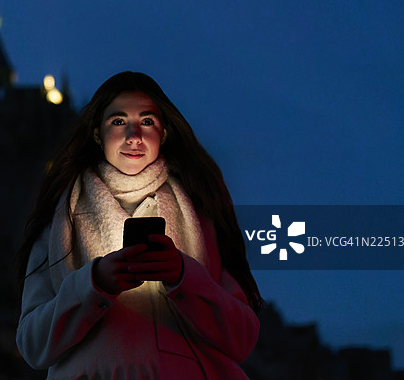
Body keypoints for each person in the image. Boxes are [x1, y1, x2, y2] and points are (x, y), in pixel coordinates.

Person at [14, 71, 262, 379]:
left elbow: (243, 337)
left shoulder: (202, 217)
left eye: (147, 121)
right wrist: (94, 284)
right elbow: (32, 344)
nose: (134, 135)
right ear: (96, 133)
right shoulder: (60, 223)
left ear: (164, 133)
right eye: (118, 121)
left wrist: (183, 277)